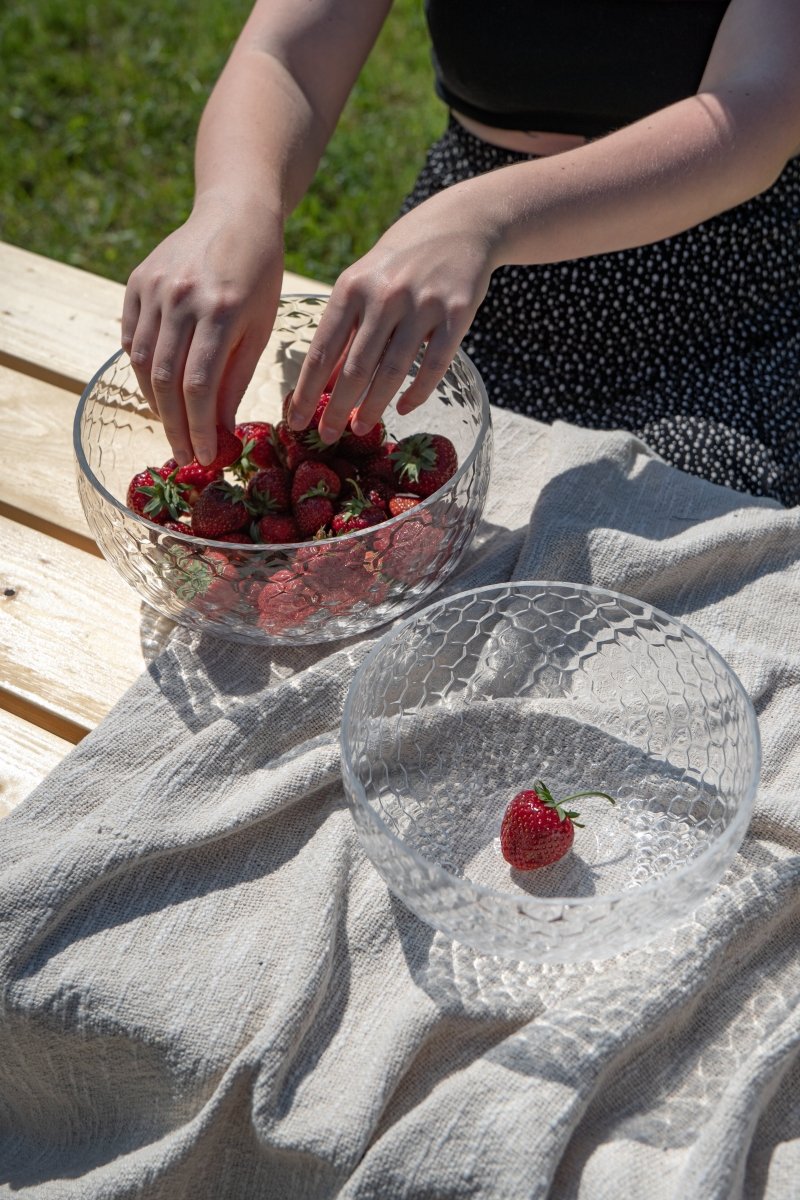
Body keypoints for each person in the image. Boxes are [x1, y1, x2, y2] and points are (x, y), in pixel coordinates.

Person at [121, 0, 800, 506]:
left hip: (714, 296)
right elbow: (287, 55)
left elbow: (757, 112)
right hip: (462, 291)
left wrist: (483, 218)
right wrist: (234, 204)